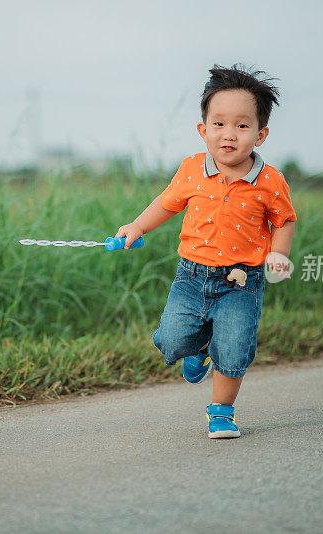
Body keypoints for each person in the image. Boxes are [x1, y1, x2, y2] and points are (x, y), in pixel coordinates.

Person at [115, 64, 297, 438]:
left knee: (232, 346)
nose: (229, 135)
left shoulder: (270, 181)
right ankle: (198, 346)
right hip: (192, 276)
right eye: (219, 124)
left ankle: (222, 411)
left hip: (242, 281)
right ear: (203, 130)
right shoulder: (192, 169)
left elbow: (284, 220)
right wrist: (137, 226)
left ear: (260, 135)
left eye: (242, 126)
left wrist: (279, 253)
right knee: (172, 339)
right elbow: (167, 203)